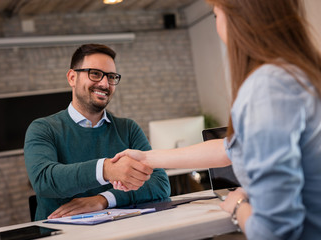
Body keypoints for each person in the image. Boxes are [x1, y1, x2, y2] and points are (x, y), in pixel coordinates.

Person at [111, 0, 321, 239]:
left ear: (238, 18)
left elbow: (274, 232)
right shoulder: (302, 75)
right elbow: (229, 148)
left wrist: (238, 204)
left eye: (215, 16)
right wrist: (147, 158)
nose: (217, 25)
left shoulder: (267, 86)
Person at [24, 44, 170, 221]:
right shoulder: (43, 128)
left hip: (122, 232)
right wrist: (106, 169)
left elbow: (160, 183)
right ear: (72, 77)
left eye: (111, 76)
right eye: (95, 74)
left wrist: (104, 200)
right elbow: (44, 180)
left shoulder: (128, 129)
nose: (104, 83)